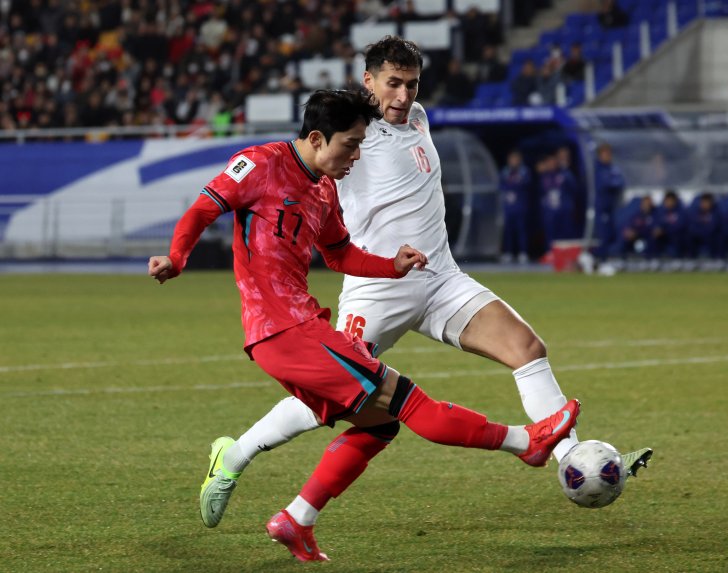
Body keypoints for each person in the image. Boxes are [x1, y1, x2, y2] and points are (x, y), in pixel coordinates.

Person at [198, 36, 652, 544]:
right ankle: (235, 455)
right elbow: (311, 161)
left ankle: (573, 459)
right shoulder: (353, 134)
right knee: (335, 398)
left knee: (528, 349)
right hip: (376, 289)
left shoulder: (419, 118)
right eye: (392, 84)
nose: (403, 95)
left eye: (412, 84)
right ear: (367, 81)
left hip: (440, 280)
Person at [149, 88, 581, 562]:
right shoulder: (259, 163)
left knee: (381, 424)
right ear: (317, 137)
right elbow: (203, 208)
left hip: (301, 329)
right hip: (285, 331)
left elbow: (339, 254)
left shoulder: (322, 188)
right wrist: (176, 256)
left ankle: (296, 518)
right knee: (412, 403)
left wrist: (390, 265)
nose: (357, 155)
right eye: (350, 144)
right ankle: (527, 442)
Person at [499, 149, 534, 264]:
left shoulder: (524, 172)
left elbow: (526, 185)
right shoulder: (505, 172)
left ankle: (523, 252)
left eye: (515, 159)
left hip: (520, 206)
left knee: (521, 230)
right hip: (508, 207)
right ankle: (508, 252)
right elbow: (501, 187)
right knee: (508, 231)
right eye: (511, 159)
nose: (513, 161)